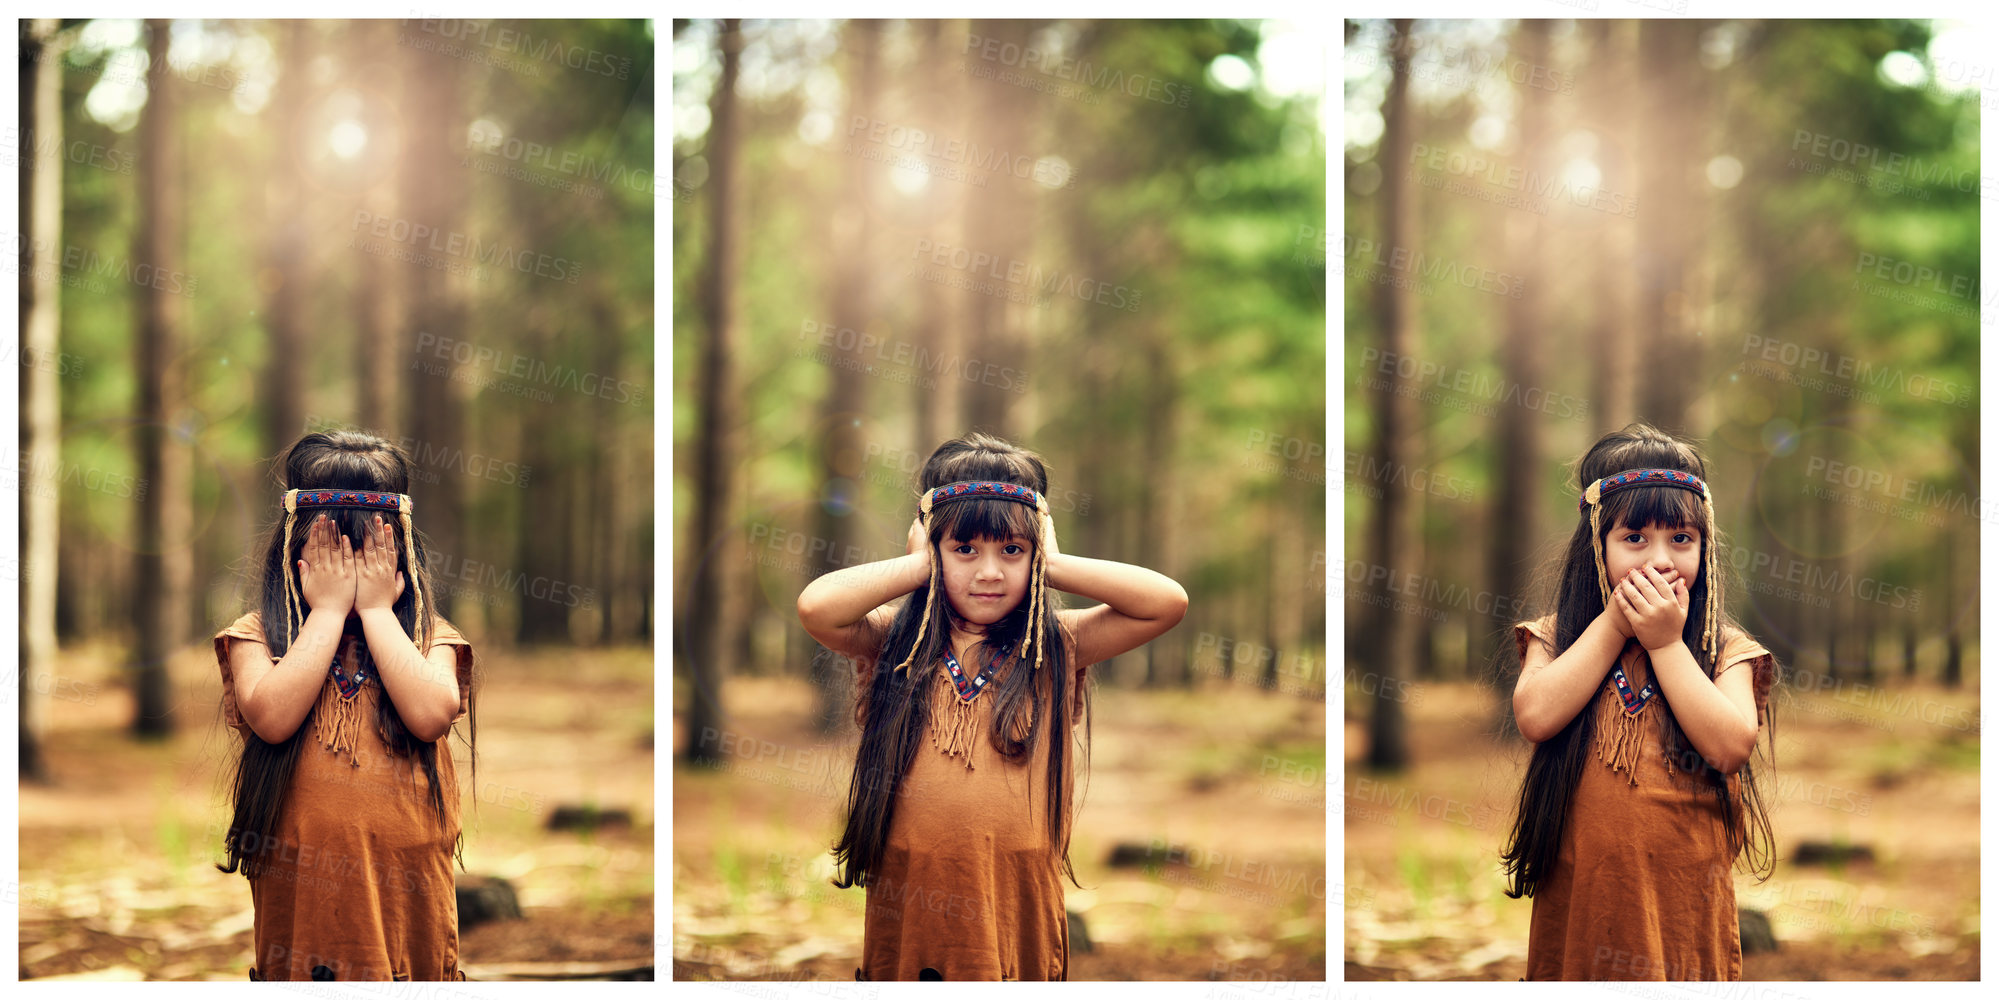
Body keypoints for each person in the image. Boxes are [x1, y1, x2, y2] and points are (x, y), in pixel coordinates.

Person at [796, 433, 1188, 980]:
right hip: (913, 890)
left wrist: (1053, 561)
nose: (989, 572)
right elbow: (817, 607)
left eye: (1012, 550)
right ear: (933, 548)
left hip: (1018, 893)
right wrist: (920, 565)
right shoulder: (893, 641)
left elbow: (1166, 602)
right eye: (964, 549)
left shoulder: (1057, 643)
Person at [1500, 423, 1778, 980]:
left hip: (1685, 901)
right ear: (1596, 548)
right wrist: (1612, 626)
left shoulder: (1724, 649)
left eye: (1681, 540)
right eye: (1634, 539)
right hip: (1583, 895)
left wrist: (1667, 645)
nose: (1658, 560)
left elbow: (1730, 746)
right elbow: (1535, 715)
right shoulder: (1557, 637)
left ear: (1706, 550)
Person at [212, 431, 477, 981]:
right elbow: (272, 716)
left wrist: (378, 613)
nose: (351, 571)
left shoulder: (429, 636)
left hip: (409, 892)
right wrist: (327, 613)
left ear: (399, 553)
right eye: (335, 552)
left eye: (367, 553)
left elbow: (432, 714)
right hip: (300, 893)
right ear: (296, 551)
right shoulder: (257, 635)